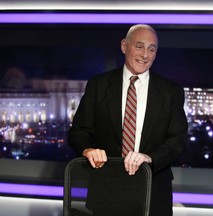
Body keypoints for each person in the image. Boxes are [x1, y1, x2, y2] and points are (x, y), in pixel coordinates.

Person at [68, 24, 188, 216]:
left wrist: (150, 158)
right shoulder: (98, 85)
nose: (145, 54)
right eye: (139, 46)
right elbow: (78, 131)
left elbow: (178, 140)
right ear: (124, 46)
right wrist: (88, 150)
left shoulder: (171, 91)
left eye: (151, 49)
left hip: (153, 187)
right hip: (107, 188)